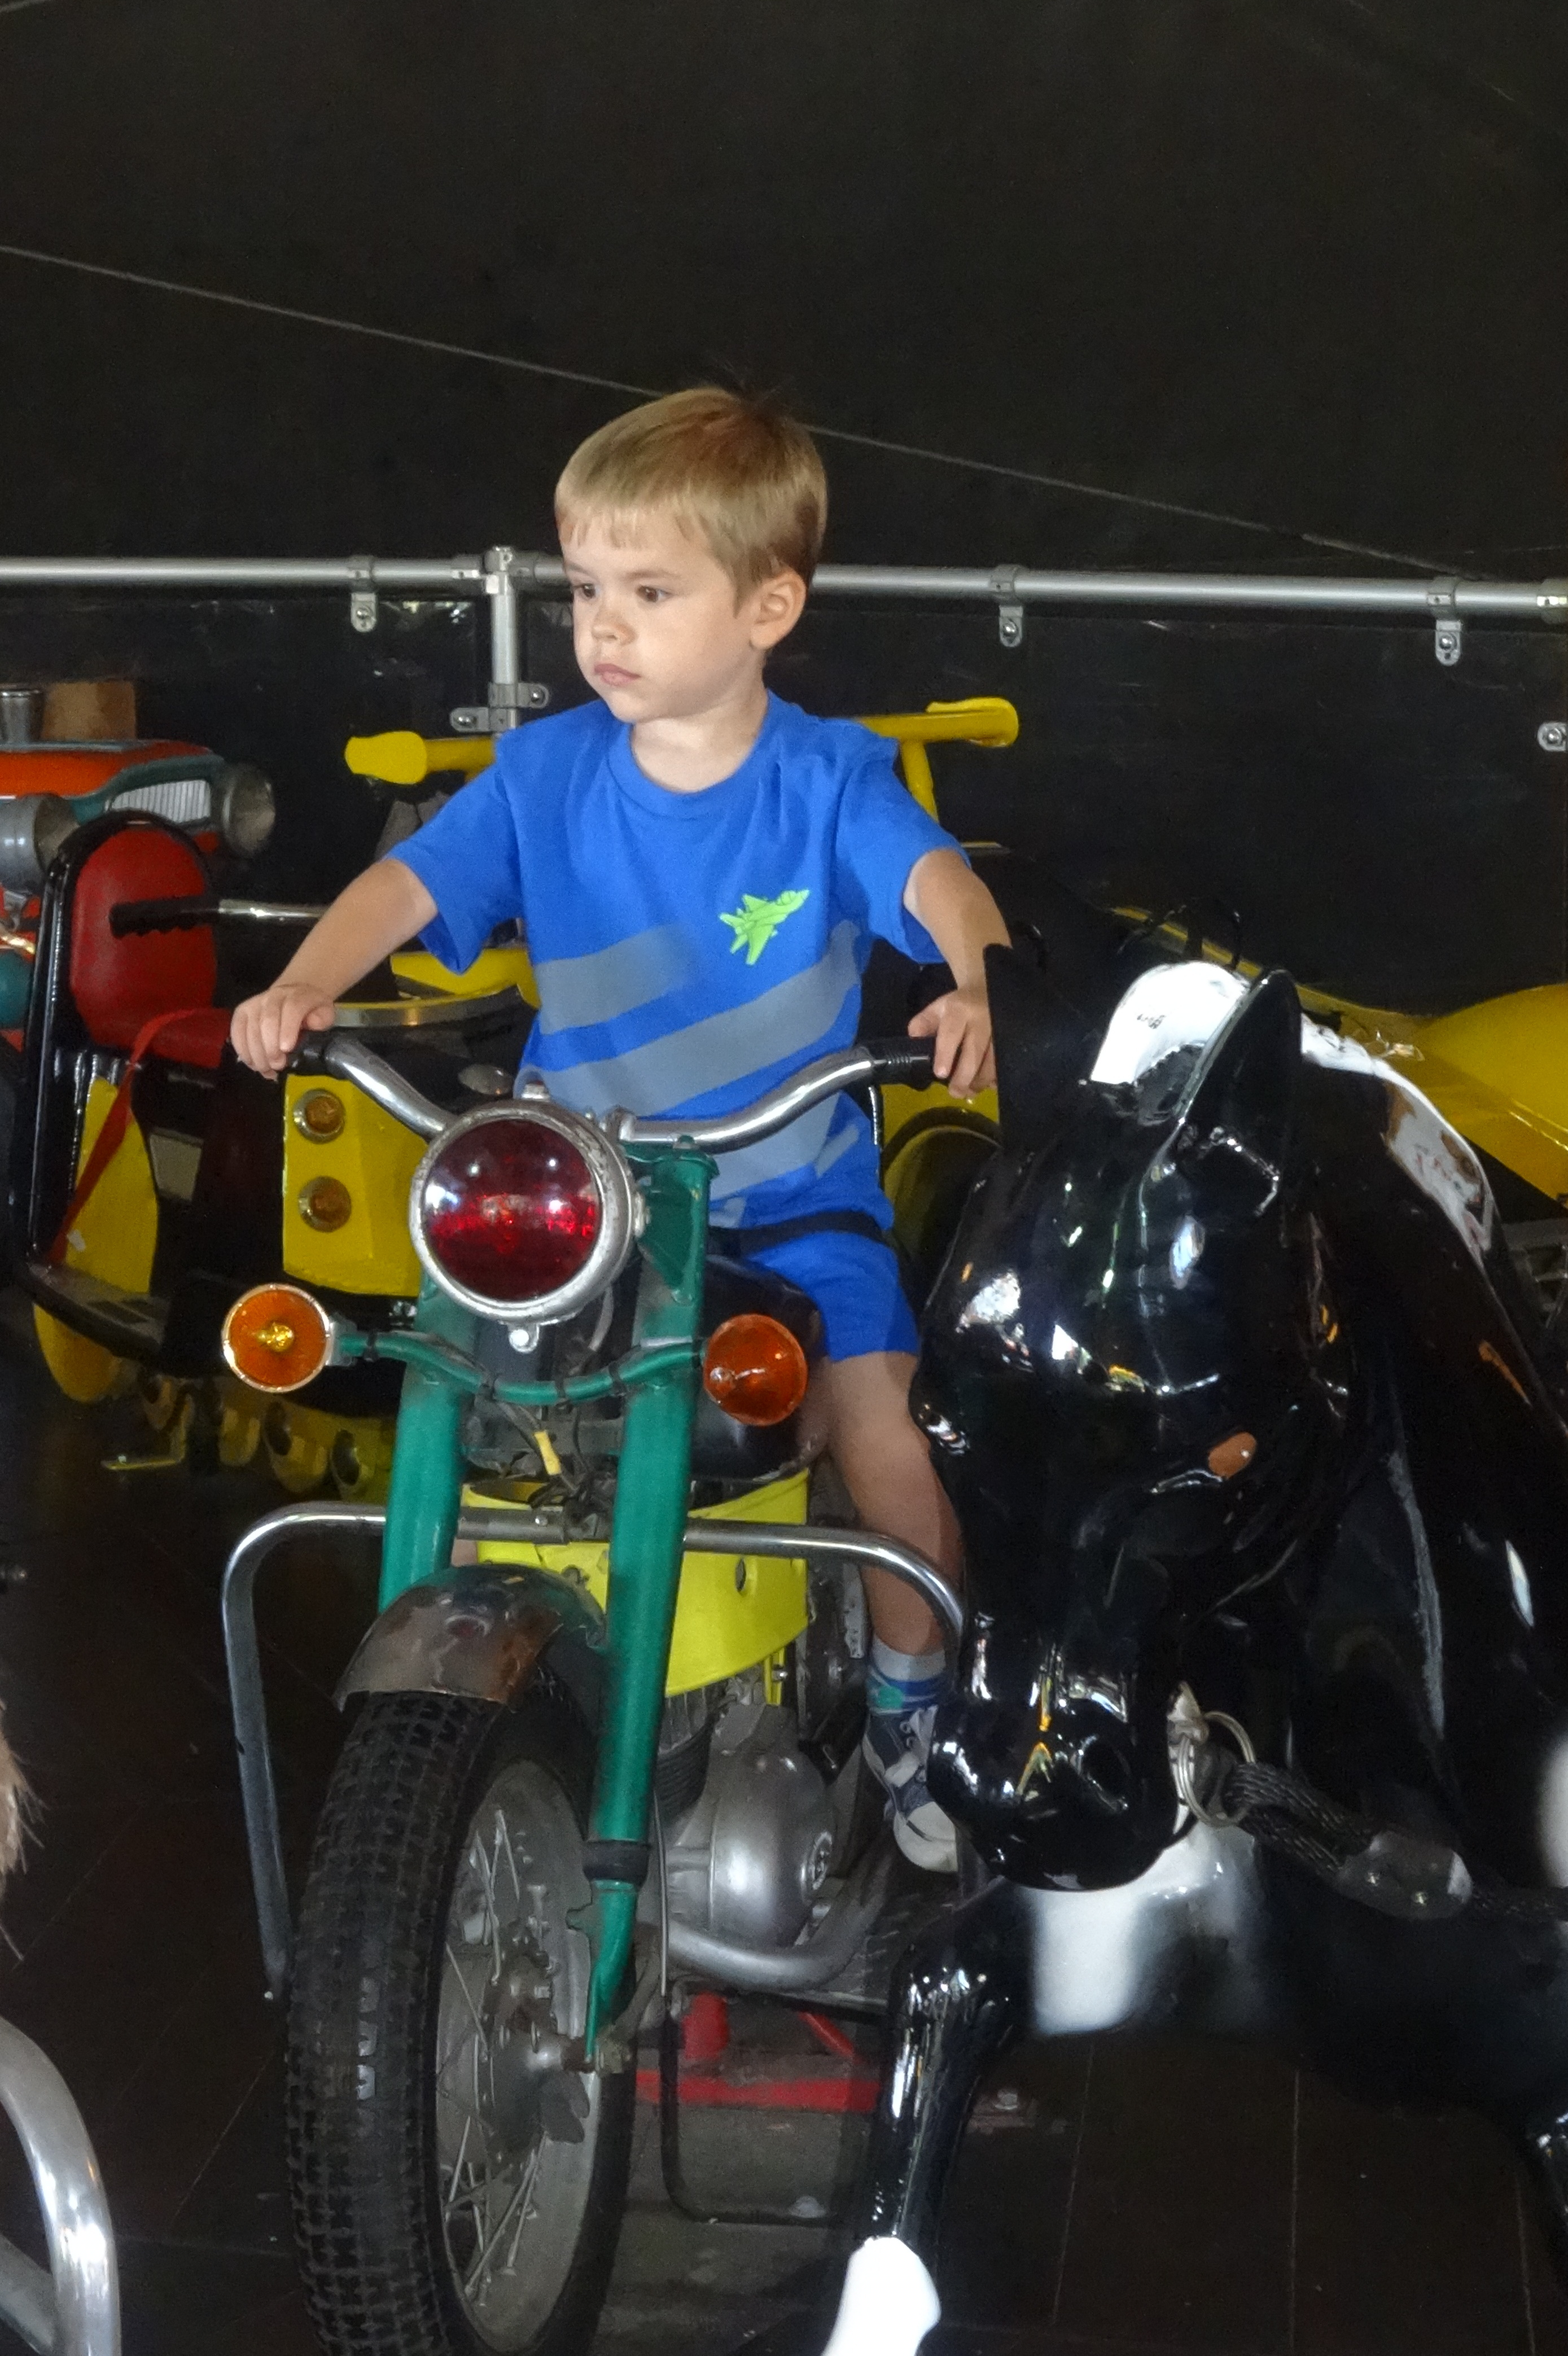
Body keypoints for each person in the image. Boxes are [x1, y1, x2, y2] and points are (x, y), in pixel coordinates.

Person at [231, 387, 1010, 1871]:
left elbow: (938, 883)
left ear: (768, 607)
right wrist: (306, 980)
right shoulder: (545, 773)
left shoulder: (824, 778)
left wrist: (978, 977)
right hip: (586, 1212)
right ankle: (462, 1718)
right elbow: (411, 885)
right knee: (471, 1433)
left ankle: (917, 1713)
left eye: (651, 593)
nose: (604, 627)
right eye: (585, 589)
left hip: (789, 1199)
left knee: (887, 1447)